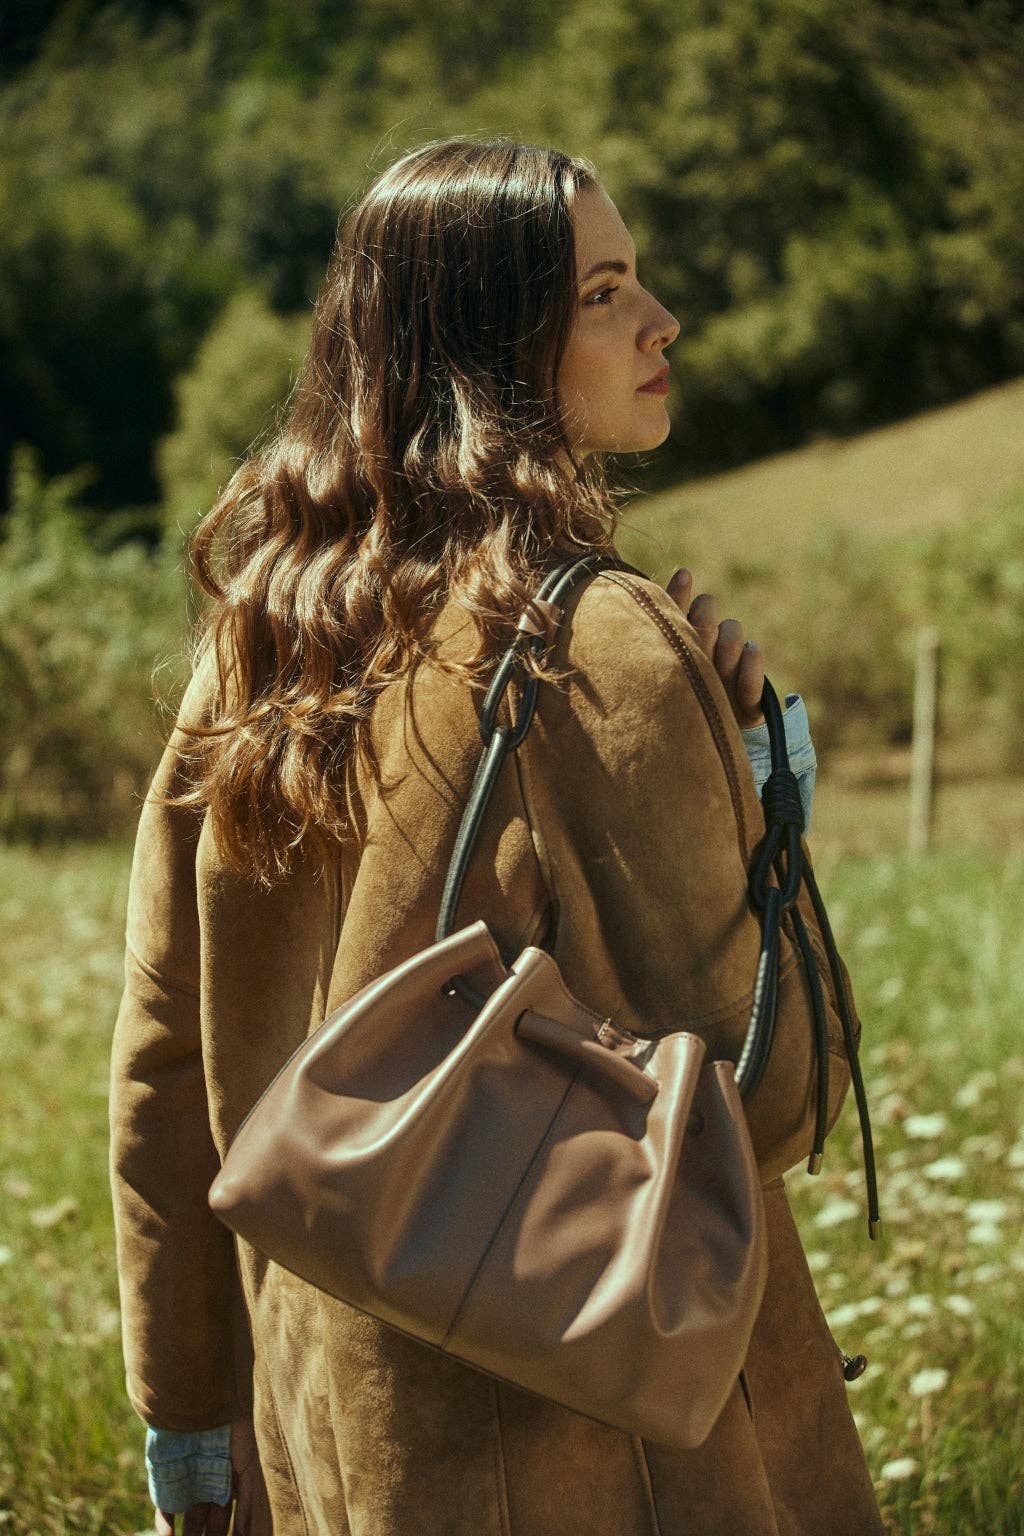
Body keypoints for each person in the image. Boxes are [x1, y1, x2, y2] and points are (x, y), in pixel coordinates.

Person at [109, 136, 885, 1535]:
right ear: (487, 344)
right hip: (615, 1441)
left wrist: (186, 1430)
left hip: (331, 1426)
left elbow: (164, 1066)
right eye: (602, 292)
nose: (662, 322)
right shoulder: (604, 642)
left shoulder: (259, 650)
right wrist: (768, 770)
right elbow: (777, 1093)